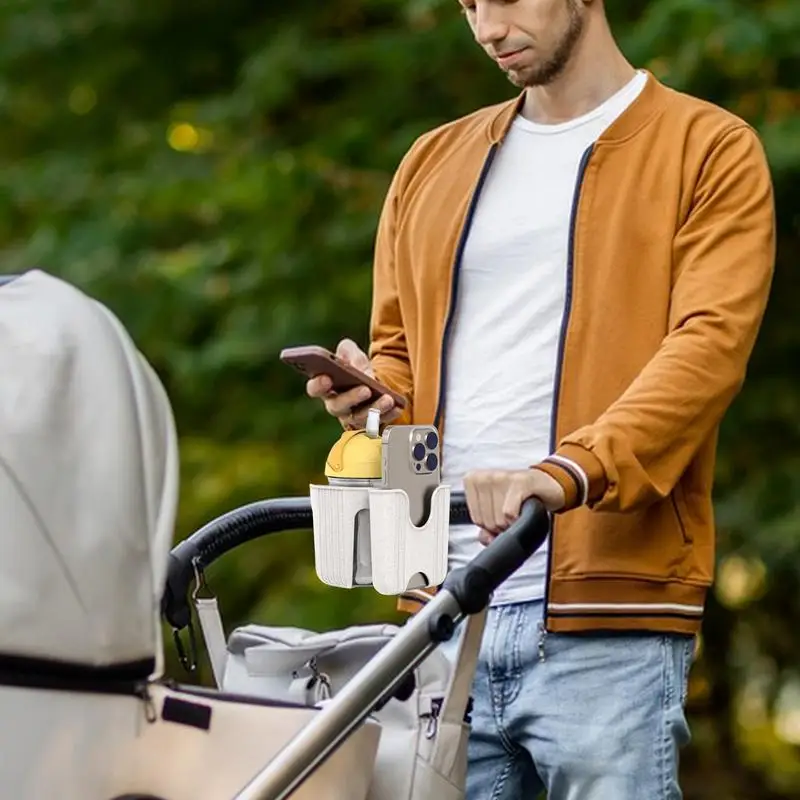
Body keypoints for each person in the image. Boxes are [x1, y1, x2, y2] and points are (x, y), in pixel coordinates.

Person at [306, 0, 776, 796]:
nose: (488, 28)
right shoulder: (431, 162)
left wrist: (564, 471)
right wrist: (374, 397)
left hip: (607, 629)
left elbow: (707, 352)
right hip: (442, 617)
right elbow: (400, 351)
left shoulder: (708, 149)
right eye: (468, 6)